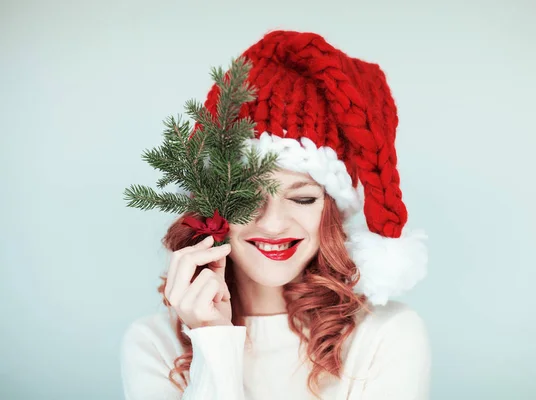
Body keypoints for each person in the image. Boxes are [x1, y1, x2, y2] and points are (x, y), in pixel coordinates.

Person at [120, 30, 431, 400]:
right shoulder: (153, 343)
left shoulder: (386, 335)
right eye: (247, 196)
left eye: (302, 200)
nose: (272, 223)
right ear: (211, 204)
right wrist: (212, 340)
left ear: (332, 215)